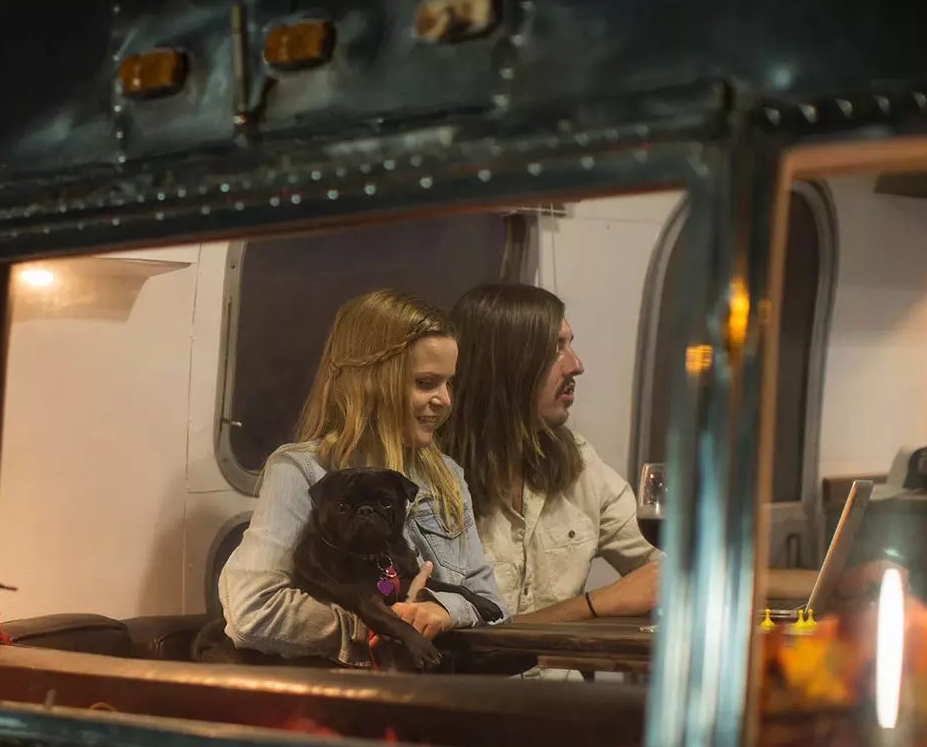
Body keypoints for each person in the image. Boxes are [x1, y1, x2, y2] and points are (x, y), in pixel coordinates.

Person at [447, 282, 891, 621]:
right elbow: (468, 644)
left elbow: (686, 577)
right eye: (555, 349)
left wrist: (831, 584)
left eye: (571, 343)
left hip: (564, 706)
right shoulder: (437, 484)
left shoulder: (577, 466)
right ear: (507, 366)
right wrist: (597, 605)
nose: (577, 364)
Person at [218, 288, 507, 666]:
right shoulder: (303, 471)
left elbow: (494, 604)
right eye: (425, 383)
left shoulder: (446, 477)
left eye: (448, 383)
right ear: (372, 382)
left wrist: (444, 612)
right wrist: (377, 626)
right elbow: (254, 612)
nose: (445, 400)